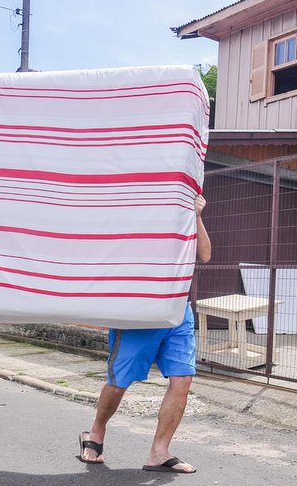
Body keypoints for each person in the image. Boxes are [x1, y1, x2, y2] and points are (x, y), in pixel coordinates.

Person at [79, 193, 212, 474]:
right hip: (139, 312)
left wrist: (197, 216)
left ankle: (159, 452)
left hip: (178, 310)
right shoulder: (134, 216)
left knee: (182, 378)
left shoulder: (184, 215)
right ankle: (96, 433)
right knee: (119, 381)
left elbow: (205, 254)